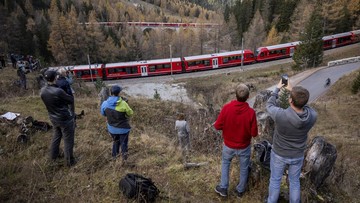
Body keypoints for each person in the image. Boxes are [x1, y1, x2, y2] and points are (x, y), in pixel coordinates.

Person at [266, 79, 317, 203]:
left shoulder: (280, 115)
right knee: (294, 182)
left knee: (275, 180)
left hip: (279, 154)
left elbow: (269, 105)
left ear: (290, 100)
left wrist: (277, 88)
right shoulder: (312, 116)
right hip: (297, 155)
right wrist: (294, 92)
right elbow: (306, 106)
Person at [213, 84, 258, 198]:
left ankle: (223, 188)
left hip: (228, 146)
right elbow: (254, 133)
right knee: (244, 168)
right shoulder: (251, 112)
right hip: (244, 146)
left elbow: (217, 126)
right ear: (248, 97)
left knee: (225, 164)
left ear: (235, 95)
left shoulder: (226, 108)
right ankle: (240, 190)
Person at [40, 70, 76, 167]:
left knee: (56, 137)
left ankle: (53, 156)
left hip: (53, 117)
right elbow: (70, 100)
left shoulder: (42, 91)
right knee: (68, 140)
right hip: (64, 118)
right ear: (55, 78)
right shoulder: (58, 91)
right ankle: (69, 162)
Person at [101, 85, 133, 160]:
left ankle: (114, 157)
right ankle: (124, 159)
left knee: (115, 141)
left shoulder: (105, 103)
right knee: (124, 143)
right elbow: (130, 113)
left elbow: (103, 114)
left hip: (111, 128)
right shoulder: (123, 103)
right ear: (119, 93)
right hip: (123, 129)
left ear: (110, 92)